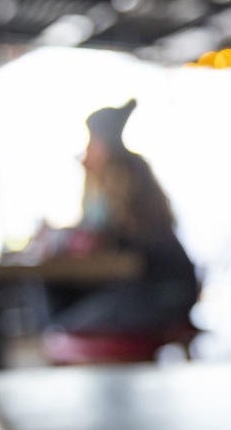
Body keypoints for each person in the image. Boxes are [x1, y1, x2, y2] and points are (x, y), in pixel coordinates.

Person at [47, 99, 199, 337]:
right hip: (144, 290)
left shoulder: (127, 172)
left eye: (92, 144)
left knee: (66, 325)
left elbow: (118, 238)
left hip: (164, 292)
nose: (88, 154)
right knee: (62, 310)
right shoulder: (107, 180)